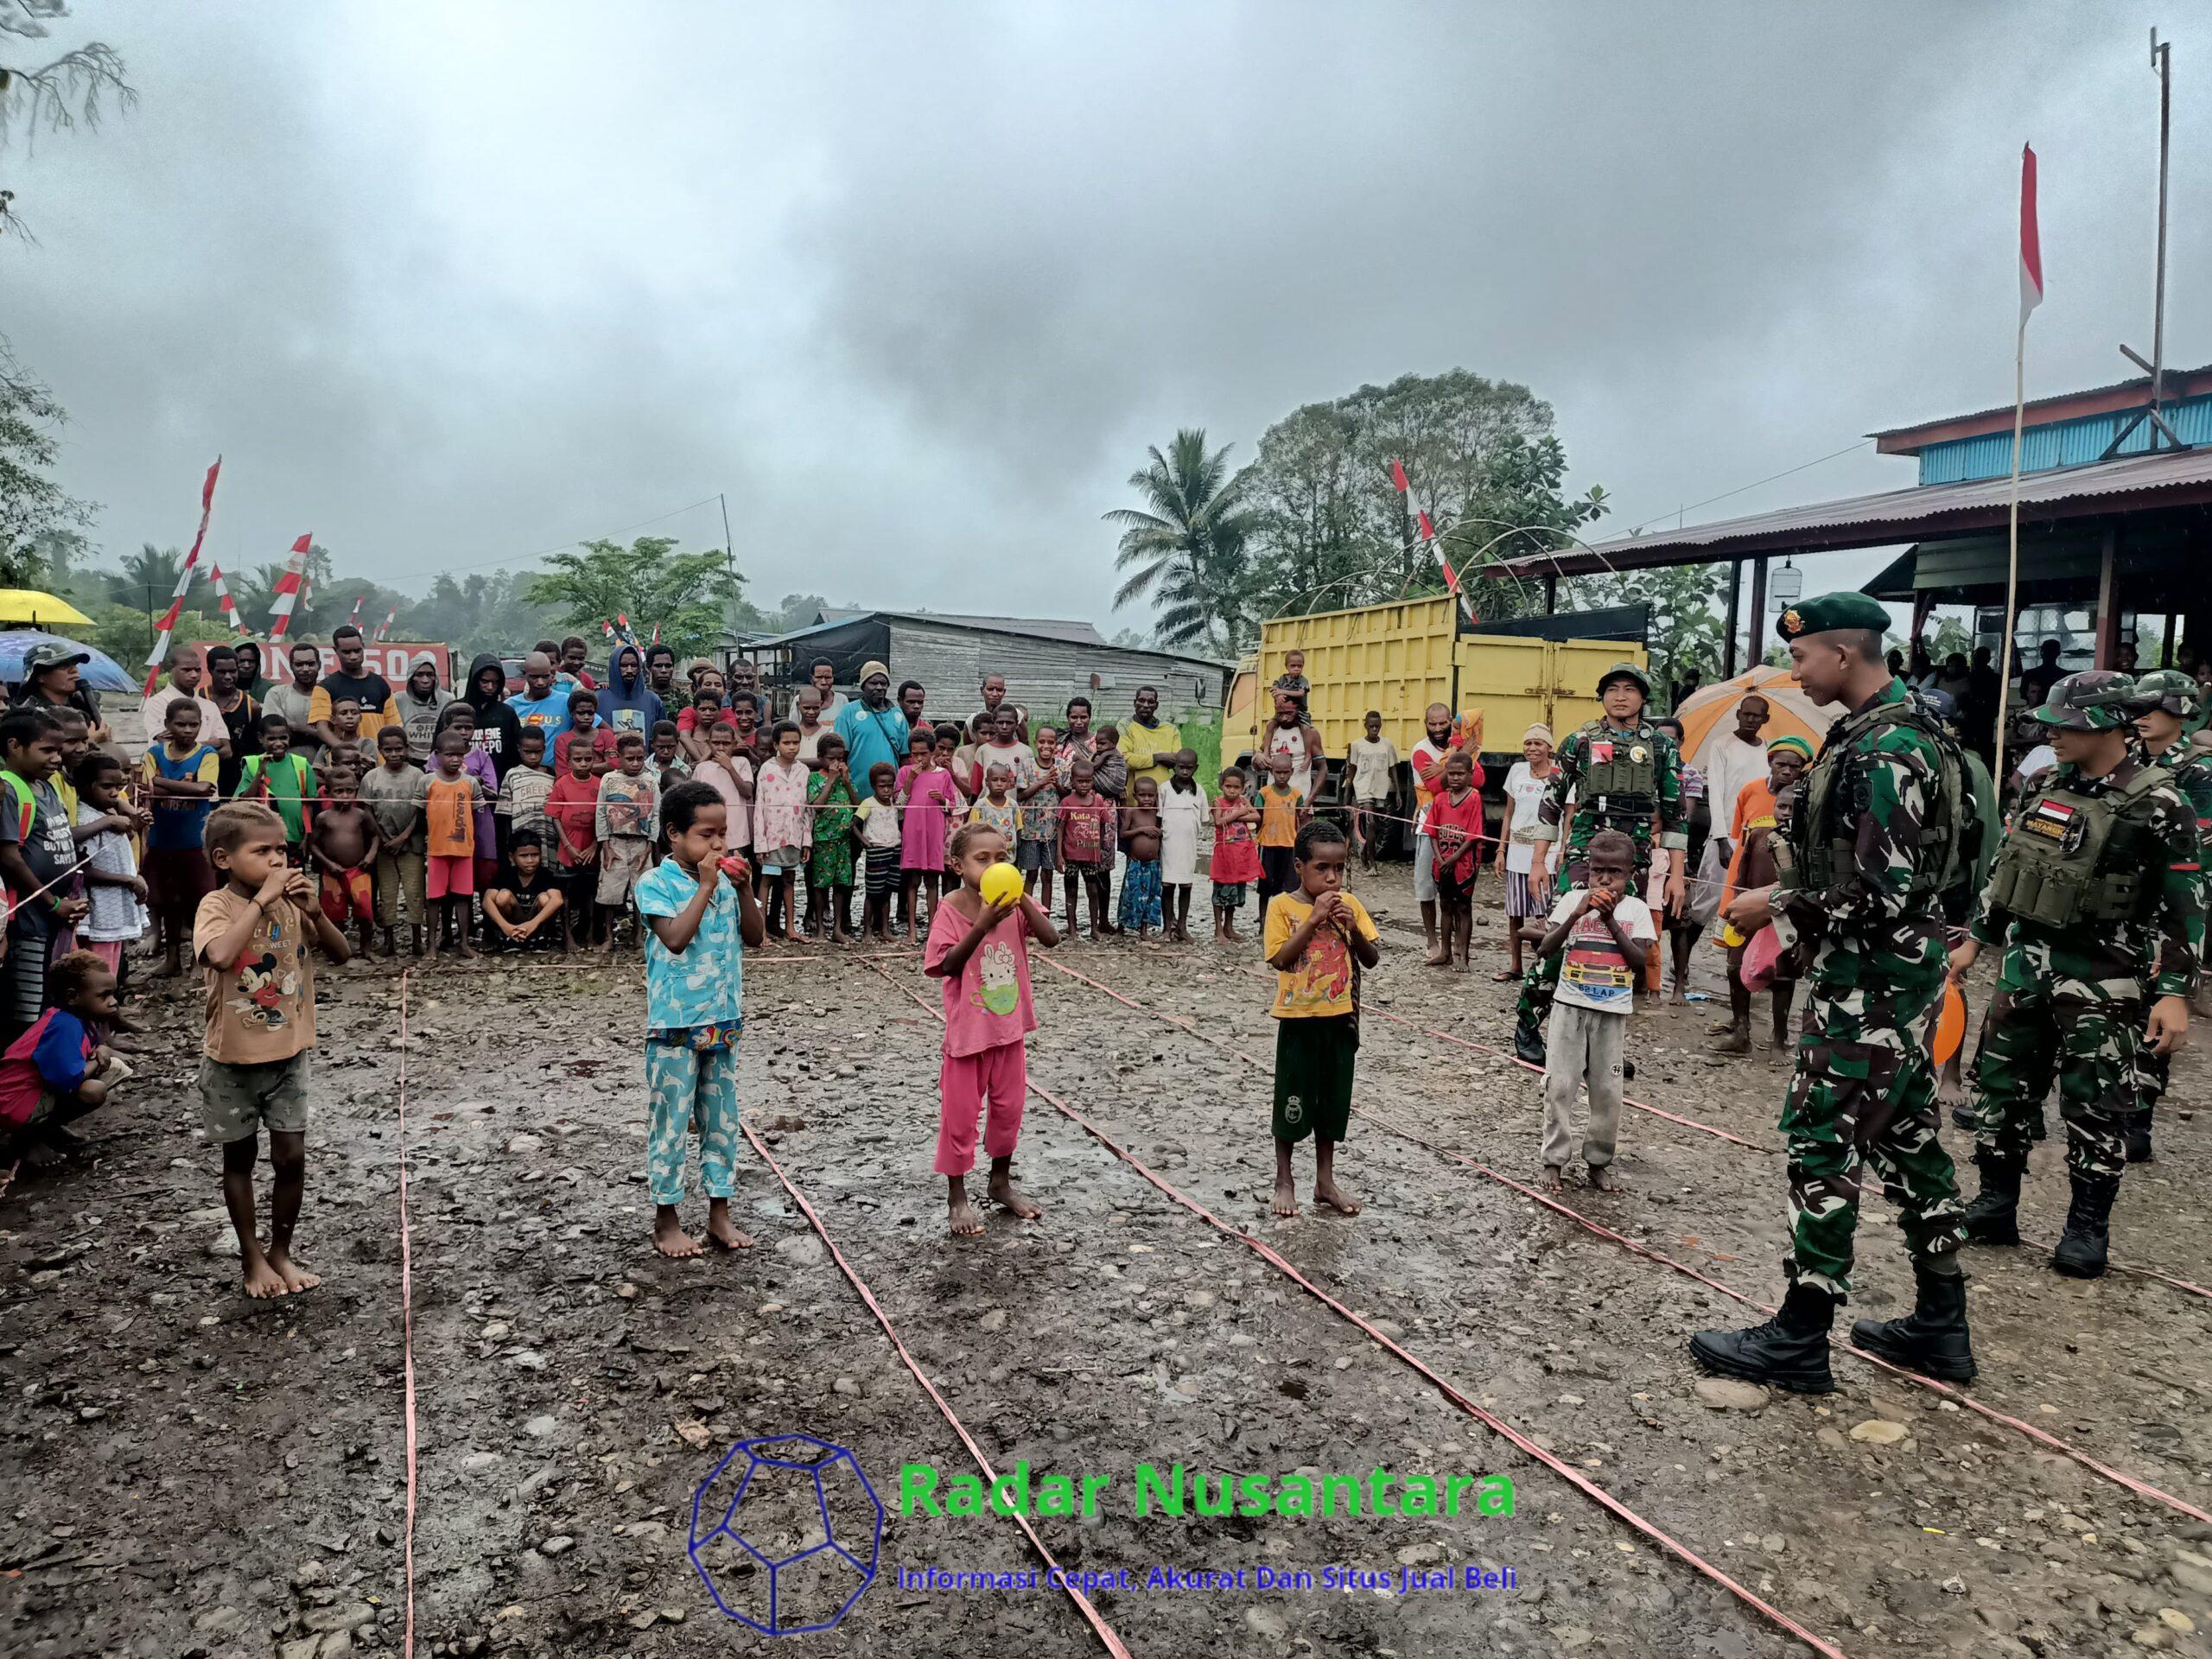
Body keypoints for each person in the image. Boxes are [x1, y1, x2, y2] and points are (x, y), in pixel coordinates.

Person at [1693, 594, 1973, 1392]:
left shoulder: (1885, 747)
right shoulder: (1909, 731)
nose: (1797, 673)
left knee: (1824, 1140)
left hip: (1872, 979)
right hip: (1902, 973)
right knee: (1910, 1141)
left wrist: (1770, 905)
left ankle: (1800, 1335)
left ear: (1844, 655)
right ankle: (1941, 1325)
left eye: (1806, 658)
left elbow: (1884, 889)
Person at [1953, 671, 2202, 1279]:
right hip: (2026, 967)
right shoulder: (2042, 784)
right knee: (2001, 1087)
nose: (2052, 733)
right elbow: (2011, 869)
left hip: (2105, 976)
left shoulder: (2161, 802)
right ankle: (1996, 1203)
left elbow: (2187, 903)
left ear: (2111, 725)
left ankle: (2086, 1227)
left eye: (2066, 723)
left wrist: (2174, 993)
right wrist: (1979, 938)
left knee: (2097, 1104)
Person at [195, 800, 351, 1296]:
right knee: (238, 1162)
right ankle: (251, 1258)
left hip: (290, 1054)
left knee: (291, 1158)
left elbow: (342, 953)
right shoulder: (217, 906)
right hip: (232, 1060)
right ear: (224, 859)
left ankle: (281, 1251)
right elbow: (219, 955)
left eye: (281, 850)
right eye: (262, 851)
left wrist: (313, 911)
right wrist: (263, 899)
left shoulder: (292, 902)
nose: (277, 861)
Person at [1516, 661, 1686, 1065]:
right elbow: (1552, 803)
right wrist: (1539, 861)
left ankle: (1604, 1044)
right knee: (1564, 934)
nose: (1621, 696)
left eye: (1630, 689)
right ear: (1602, 697)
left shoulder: (1662, 748)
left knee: (1619, 943)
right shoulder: (1579, 741)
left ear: (1644, 698)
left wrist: (1677, 875)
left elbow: (1676, 814)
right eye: (1612, 689)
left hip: (1636, 856)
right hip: (1583, 855)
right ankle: (1529, 1025)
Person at [633, 780, 764, 1255]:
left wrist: (744, 888)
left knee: (722, 1121)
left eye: (723, 834)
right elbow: (675, 939)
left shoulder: (728, 884)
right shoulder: (655, 884)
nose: (718, 845)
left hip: (723, 1021)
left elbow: (754, 937)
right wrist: (707, 885)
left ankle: (719, 1214)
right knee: (670, 1122)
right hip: (674, 1028)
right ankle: (666, 1220)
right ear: (674, 833)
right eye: (706, 835)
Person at [927, 820, 1058, 1236]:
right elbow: (945, 966)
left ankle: (1000, 1182)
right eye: (981, 859)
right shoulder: (950, 909)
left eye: (1001, 858)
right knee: (960, 1117)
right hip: (968, 1036)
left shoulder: (1016, 903)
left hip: (1010, 1030)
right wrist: (982, 923)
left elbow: (1051, 938)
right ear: (957, 865)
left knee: (1008, 1111)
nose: (993, 865)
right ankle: (957, 1197)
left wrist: (1022, 903)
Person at [1265, 819, 1380, 1218]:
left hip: (1340, 1019)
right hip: (1298, 1022)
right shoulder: (1282, 906)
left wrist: (1353, 930)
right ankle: (1285, 1179)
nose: (1332, 878)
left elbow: (1371, 958)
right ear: (1299, 867)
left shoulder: (1351, 906)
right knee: (1292, 1100)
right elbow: (1280, 959)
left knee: (1333, 1101)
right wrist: (1313, 919)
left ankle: (1325, 1180)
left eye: (1339, 869)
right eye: (1321, 869)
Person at [2123, 670, 2212, 1161]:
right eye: (2136, 709)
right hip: (2122, 908)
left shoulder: (2198, 772)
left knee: (2157, 1010)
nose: (2141, 718)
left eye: (2151, 708)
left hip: (2172, 908)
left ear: (2179, 713)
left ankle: (2140, 1117)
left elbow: (2196, 849)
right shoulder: (2126, 762)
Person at [1534, 828, 1652, 1192]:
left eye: (1614, 873)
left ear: (1629, 875)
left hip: (1611, 1014)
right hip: (1569, 1008)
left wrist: (1610, 920)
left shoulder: (1637, 910)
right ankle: (1554, 1160)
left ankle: (1598, 1162)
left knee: (1607, 1092)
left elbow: (1639, 962)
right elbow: (1545, 949)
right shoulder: (1572, 900)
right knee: (1560, 1086)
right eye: (1597, 870)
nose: (1604, 879)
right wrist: (1577, 914)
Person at [1710, 734, 1811, 1053]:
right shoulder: (1757, 826)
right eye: (1781, 764)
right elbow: (1740, 864)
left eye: (1794, 766)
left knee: (1783, 974)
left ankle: (1779, 1040)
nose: (1787, 770)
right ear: (1770, 763)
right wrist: (1733, 903)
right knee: (1735, 966)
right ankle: (1741, 1031)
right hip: (1749, 906)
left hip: (1786, 912)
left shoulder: (1807, 838)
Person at [0, 709, 86, 1039]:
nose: (56, 758)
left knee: (51, 994)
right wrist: (52, 903)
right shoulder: (10, 790)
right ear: (15, 746)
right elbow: (10, 857)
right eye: (47, 750)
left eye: (58, 749)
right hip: (29, 918)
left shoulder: (46, 787)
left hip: (55, 914)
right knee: (26, 1004)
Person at [0, 950, 126, 1166]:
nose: (113, 1002)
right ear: (72, 997)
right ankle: (26, 1140)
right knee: (94, 1090)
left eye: (113, 994)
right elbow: (69, 1078)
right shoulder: (64, 1026)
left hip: (27, 1096)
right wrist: (98, 1059)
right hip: (14, 1103)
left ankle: (46, 1129)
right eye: (103, 995)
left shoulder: (77, 1019)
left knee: (115, 1069)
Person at [140, 699, 221, 979]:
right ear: (167, 725)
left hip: (195, 843)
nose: (188, 730)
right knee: (167, 902)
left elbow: (203, 789)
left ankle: (200, 960)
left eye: (194, 725)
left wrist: (163, 783)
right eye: (181, 724)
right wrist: (182, 787)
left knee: (199, 902)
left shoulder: (208, 753)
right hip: (162, 840)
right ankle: (171, 958)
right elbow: (148, 791)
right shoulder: (153, 754)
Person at [73, 753, 148, 979]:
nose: (115, 793)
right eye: (107, 786)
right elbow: (83, 870)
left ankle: (108, 1005)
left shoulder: (110, 813)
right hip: (99, 908)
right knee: (99, 967)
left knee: (112, 962)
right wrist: (129, 880)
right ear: (85, 786)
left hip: (113, 906)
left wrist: (138, 823)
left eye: (118, 786)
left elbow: (122, 849)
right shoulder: (87, 820)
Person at [360, 725, 428, 958]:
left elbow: (421, 812)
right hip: (384, 846)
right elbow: (367, 811)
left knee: (414, 892)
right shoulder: (372, 777)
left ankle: (417, 940)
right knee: (387, 894)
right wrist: (383, 837)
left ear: (407, 748)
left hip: (412, 844)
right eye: (389, 750)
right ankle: (389, 941)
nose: (394, 754)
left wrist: (404, 836)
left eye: (399, 749)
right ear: (380, 750)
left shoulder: (418, 776)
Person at [1408, 702, 1464, 963]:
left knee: (1456, 888)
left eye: (1443, 723)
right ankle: (1432, 940)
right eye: (1433, 724)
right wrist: (1457, 769)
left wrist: (1444, 769)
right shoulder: (1420, 751)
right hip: (1429, 825)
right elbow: (1434, 785)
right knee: (1425, 886)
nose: (1439, 729)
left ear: (1450, 721)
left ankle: (1454, 946)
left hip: (1459, 827)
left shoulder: (1459, 745)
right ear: (1426, 723)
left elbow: (1479, 779)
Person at [595, 733, 660, 956]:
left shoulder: (651, 780)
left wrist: (650, 845)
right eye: (630, 758)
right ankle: (608, 936)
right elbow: (601, 813)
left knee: (641, 891)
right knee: (609, 893)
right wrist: (604, 844)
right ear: (619, 757)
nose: (635, 763)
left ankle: (639, 935)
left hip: (641, 844)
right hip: (615, 842)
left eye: (639, 758)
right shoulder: (609, 780)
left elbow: (656, 814)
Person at [1501, 726, 1555, 984]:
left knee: (1543, 913)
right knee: (1515, 912)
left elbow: (1567, 816)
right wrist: (1501, 849)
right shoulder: (1517, 771)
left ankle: (1542, 967)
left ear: (1549, 747)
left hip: (1547, 854)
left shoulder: (1559, 775)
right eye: (1528, 744)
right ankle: (1515, 965)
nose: (1533, 748)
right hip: (1517, 851)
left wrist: (1563, 850)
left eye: (1538, 743)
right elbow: (1509, 813)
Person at [307, 766, 380, 958]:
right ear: (328, 792)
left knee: (364, 911)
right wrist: (328, 864)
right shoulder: (323, 818)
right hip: (333, 872)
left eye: (350, 790)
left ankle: (367, 948)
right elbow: (313, 845)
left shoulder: (360, 815)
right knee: (334, 912)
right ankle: (337, 949)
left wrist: (370, 856)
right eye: (339, 791)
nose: (345, 795)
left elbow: (375, 837)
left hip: (358, 870)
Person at [423, 730, 484, 960]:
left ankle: (464, 942)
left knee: (463, 897)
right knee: (434, 899)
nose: (455, 760)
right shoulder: (427, 781)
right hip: (437, 850)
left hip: (464, 850)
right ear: (437, 755)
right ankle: (431, 944)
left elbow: (478, 815)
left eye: (460, 755)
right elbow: (419, 815)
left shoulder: (470, 783)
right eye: (450, 755)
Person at [1423, 750, 1484, 972]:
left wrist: (1454, 858)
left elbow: (1473, 835)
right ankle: (1445, 953)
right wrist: (1440, 858)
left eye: (1460, 774)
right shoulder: (1440, 799)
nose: (1455, 778)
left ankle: (1463, 956)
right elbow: (1432, 832)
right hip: (1442, 863)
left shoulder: (1474, 798)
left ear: (1469, 775)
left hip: (1464, 864)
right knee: (1445, 905)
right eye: (1451, 774)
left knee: (1464, 907)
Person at [750, 721, 811, 938]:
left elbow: (807, 809)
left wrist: (807, 841)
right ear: (776, 744)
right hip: (771, 838)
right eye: (786, 742)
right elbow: (759, 808)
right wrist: (760, 843)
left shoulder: (803, 771)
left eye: (796, 742)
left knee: (789, 881)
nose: (792, 747)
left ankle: (791, 928)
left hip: (794, 836)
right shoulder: (767, 769)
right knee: (766, 882)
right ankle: (762, 930)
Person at [897, 724, 957, 944]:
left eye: (923, 754)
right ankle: (911, 929)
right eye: (914, 754)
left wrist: (942, 800)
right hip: (913, 833)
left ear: (933, 752)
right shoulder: (905, 772)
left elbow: (953, 806)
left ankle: (933, 928)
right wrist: (911, 780)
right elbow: (899, 804)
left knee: (932, 882)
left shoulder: (943, 776)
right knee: (912, 881)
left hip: (933, 833)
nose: (919, 758)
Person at [546, 728, 603, 952]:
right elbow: (555, 818)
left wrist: (594, 845)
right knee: (566, 894)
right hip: (568, 850)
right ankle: (568, 937)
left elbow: (604, 818)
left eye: (588, 759)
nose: (583, 764)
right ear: (568, 761)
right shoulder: (561, 783)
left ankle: (589, 935)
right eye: (578, 760)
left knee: (591, 893)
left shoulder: (600, 784)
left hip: (592, 850)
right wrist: (568, 846)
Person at [1700, 694, 1770, 874]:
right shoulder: (1722, 745)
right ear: (1738, 714)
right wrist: (1721, 839)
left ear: (1765, 719)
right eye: (1746, 714)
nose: (1750, 719)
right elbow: (1715, 792)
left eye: (1756, 716)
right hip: (1727, 833)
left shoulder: (1769, 749)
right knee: (1713, 894)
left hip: (1758, 832)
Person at [235, 713, 317, 862]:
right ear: (261, 739)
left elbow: (309, 804)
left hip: (294, 837)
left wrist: (306, 838)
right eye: (272, 739)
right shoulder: (253, 764)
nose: (279, 744)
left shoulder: (302, 765)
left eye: (283, 738)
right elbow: (243, 802)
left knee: (293, 882)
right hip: (261, 837)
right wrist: (260, 773)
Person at [804, 734, 859, 942]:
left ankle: (837, 928)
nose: (837, 763)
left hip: (843, 839)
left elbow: (856, 804)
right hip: (823, 839)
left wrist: (846, 782)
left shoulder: (847, 777)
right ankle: (820, 928)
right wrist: (832, 779)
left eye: (841, 758)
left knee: (841, 884)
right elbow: (816, 805)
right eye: (831, 759)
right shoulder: (815, 778)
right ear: (820, 758)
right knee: (820, 884)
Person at [308, 626, 396, 751]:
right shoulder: (325, 688)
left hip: (378, 764)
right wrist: (347, 751)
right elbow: (321, 728)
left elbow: (393, 727)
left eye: (357, 650)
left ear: (363, 647)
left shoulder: (381, 684)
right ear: (335, 651)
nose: (353, 656)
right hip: (344, 765)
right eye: (347, 652)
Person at [1057, 757, 1114, 940]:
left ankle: (1094, 929)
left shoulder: (1098, 801)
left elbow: (1104, 823)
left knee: (1093, 891)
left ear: (1093, 780)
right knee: (1071, 891)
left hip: (1091, 855)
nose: (1084, 785)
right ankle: (1072, 929)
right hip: (1072, 855)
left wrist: (1102, 843)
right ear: (1072, 781)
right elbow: (1060, 828)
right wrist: (1059, 854)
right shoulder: (1066, 802)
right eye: (1080, 781)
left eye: (1088, 781)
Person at [483, 829, 565, 953]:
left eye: (535, 855)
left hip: (536, 923)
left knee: (546, 899)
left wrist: (533, 924)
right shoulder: (506, 874)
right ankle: (510, 938)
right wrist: (506, 927)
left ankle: (540, 937)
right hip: (512, 924)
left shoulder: (545, 875)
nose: (530, 860)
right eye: (524, 856)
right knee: (502, 896)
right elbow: (486, 900)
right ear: (512, 857)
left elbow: (558, 900)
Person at [13, 640, 109, 745]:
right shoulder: (31, 716)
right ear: (40, 677)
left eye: (74, 664)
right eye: (62, 666)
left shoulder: (81, 704)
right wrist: (90, 742)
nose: (74, 670)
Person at [142, 646, 230, 753]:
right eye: (186, 670)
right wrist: (209, 745)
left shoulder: (210, 706)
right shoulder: (157, 703)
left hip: (206, 769)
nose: (194, 675)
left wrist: (185, 744)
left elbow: (226, 749)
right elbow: (167, 745)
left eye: (198, 670)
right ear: (171, 670)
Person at [1159, 749, 1206, 944]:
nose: (1185, 772)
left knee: (1186, 885)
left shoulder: (1200, 791)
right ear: (1174, 767)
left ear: (1195, 768)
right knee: (1168, 885)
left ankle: (1182, 927)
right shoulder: (1164, 789)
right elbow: (1158, 818)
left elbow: (1203, 820)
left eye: (1189, 768)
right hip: (1169, 844)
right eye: (1181, 767)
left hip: (1189, 845)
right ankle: (1167, 927)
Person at [835, 662, 909, 785]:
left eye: (883, 683)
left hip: (888, 791)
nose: (879, 687)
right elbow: (840, 754)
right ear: (863, 686)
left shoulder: (898, 715)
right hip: (856, 789)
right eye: (874, 683)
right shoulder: (848, 712)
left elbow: (904, 757)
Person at [1210, 765, 1261, 942]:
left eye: (1236, 787)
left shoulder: (1244, 801)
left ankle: (1229, 927)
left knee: (1235, 890)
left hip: (1240, 854)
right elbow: (1218, 821)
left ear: (1243, 787)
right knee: (1221, 890)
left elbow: (1257, 817)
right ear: (1221, 785)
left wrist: (1238, 815)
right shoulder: (1218, 802)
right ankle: (1218, 930)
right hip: (1224, 855)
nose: (1232, 791)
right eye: (1228, 786)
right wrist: (1238, 813)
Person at [1344, 711, 1399, 872]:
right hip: (1363, 788)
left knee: (1377, 826)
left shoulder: (1387, 744)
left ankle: (1365, 852)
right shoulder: (1357, 745)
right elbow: (1352, 769)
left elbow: (1393, 767)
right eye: (1372, 726)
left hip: (1381, 788)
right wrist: (1348, 790)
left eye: (1377, 726)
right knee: (1371, 821)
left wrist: (1397, 792)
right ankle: (1372, 863)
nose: (1375, 729)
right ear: (1366, 726)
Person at [203, 645, 260, 797]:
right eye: (221, 672)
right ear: (210, 670)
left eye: (232, 671)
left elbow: (256, 749)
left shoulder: (251, 706)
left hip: (238, 782)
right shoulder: (197, 700)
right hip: (202, 778)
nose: (228, 677)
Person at [496, 727, 555, 872]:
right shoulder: (513, 775)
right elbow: (504, 814)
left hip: (549, 837)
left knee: (548, 874)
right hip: (521, 838)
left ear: (544, 749)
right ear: (519, 749)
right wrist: (510, 841)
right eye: (528, 752)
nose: (533, 757)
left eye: (537, 752)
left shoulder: (552, 775)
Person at [693, 719, 753, 861]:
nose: (720, 748)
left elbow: (747, 792)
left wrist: (729, 767)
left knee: (735, 873)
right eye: (716, 743)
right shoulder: (702, 768)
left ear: (734, 744)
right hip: (708, 834)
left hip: (737, 834)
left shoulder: (742, 763)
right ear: (709, 744)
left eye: (726, 743)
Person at [856, 762, 902, 942]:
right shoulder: (868, 803)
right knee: (872, 893)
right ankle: (867, 930)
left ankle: (885, 929)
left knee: (888, 891)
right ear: (874, 786)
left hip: (894, 848)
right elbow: (854, 825)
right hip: (876, 852)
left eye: (889, 785)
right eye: (882, 786)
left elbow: (900, 821)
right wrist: (866, 842)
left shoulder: (895, 804)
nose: (886, 790)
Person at [1014, 727, 1061, 901]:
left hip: (1052, 831)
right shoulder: (1027, 764)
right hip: (1030, 830)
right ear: (1035, 743)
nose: (1046, 746)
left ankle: (1045, 916)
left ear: (1056, 744)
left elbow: (1066, 795)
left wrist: (1056, 784)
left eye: (1051, 742)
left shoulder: (1061, 765)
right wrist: (1042, 782)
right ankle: (1028, 914)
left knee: (1048, 875)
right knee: (1031, 873)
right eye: (1042, 742)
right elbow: (1021, 795)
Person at [1255, 749, 1307, 906]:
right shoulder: (1264, 793)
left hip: (1289, 844)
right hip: (1268, 844)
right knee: (1265, 886)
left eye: (1286, 772)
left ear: (1291, 772)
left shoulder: (1297, 795)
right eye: (1278, 772)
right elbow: (1258, 817)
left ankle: (1282, 918)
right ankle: (1263, 923)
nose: (1282, 776)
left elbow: (1300, 818)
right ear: (1272, 771)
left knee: (1287, 886)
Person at [462, 653, 524, 782]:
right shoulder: (457, 712)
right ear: (474, 680)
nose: (490, 687)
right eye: (485, 681)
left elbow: (518, 756)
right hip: (461, 789)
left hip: (501, 790)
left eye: (495, 682)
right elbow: (439, 752)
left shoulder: (507, 714)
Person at [1261, 690, 1327, 807]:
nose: (1284, 718)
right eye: (1280, 713)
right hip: (1274, 805)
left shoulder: (1310, 733)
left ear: (1297, 711)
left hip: (1300, 803)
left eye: (1288, 713)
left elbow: (1323, 769)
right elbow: (1258, 765)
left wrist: (1309, 801)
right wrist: (1257, 758)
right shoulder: (1271, 731)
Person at [1118, 775, 1165, 940]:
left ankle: (1143, 930)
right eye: (1142, 795)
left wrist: (1158, 832)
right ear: (1135, 795)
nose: (1146, 799)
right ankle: (1121, 927)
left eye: (1150, 796)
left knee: (1150, 896)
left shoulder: (1157, 813)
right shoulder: (1132, 812)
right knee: (1130, 894)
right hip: (1136, 863)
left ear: (1156, 796)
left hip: (1153, 864)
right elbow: (1123, 834)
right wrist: (1141, 830)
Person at [265, 642, 324, 763]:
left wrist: (297, 728)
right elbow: (274, 732)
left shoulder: (328, 694)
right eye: (299, 664)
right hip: (284, 763)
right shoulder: (277, 694)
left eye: (310, 664)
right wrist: (319, 733)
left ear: (319, 665)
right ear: (291, 666)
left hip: (322, 765)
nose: (305, 669)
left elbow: (336, 733)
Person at [390, 658, 455, 764]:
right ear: (411, 677)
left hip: (439, 761)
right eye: (419, 675)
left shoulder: (448, 700)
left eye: (430, 675)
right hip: (406, 761)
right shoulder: (398, 699)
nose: (425, 680)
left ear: (436, 677)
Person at [1118, 686, 1182, 791]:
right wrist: (1158, 757)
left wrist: (1140, 759)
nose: (1146, 705)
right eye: (1142, 701)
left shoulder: (1170, 730)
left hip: (1163, 794)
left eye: (1150, 702)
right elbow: (1125, 760)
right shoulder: (1125, 726)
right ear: (1135, 703)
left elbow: (1178, 761)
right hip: (1136, 797)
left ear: (1156, 706)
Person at [505, 652, 573, 751]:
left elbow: (596, 728)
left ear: (552, 675)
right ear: (525, 675)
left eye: (545, 677)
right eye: (534, 677)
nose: (540, 682)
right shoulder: (510, 706)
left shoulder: (567, 702)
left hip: (558, 766)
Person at [599, 642, 665, 738]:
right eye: (624, 665)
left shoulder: (653, 700)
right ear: (615, 666)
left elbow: (662, 738)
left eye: (634, 665)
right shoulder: (599, 698)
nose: (629, 670)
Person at [555, 688, 617, 775]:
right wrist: (604, 765)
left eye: (591, 713)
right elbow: (563, 772)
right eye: (581, 713)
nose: (587, 717)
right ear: (572, 713)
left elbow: (615, 766)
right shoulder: (563, 740)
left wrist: (577, 768)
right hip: (574, 787)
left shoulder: (606, 735)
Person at [2018, 638, 2066, 709]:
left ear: (2041, 653)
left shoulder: (2029, 674)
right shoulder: (2063, 676)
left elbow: (2023, 695)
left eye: (2050, 652)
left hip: (2034, 711)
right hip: (2055, 712)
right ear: (2058, 653)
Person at [645, 645, 688, 717]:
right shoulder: (641, 695)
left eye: (668, 666)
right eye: (658, 666)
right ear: (649, 668)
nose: (664, 670)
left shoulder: (683, 696)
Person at [792, 687, 830, 768]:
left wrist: (794, 761)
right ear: (798, 705)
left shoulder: (828, 732)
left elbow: (829, 760)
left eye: (816, 708)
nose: (811, 712)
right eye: (807, 708)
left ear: (821, 704)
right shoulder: (790, 732)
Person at [1270, 648, 1312, 718]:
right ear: (1287, 666)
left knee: (1305, 728)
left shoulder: (1303, 680)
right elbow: (1274, 690)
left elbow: (1300, 693)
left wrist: (1283, 691)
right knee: (1269, 725)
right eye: (1293, 666)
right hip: (1282, 711)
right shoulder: (1282, 679)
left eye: (1300, 666)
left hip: (1299, 713)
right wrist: (1278, 696)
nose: (1296, 669)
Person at [810, 657, 848, 726]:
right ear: (811, 679)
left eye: (828, 677)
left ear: (833, 678)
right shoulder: (800, 700)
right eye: (819, 677)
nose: (824, 682)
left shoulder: (842, 700)